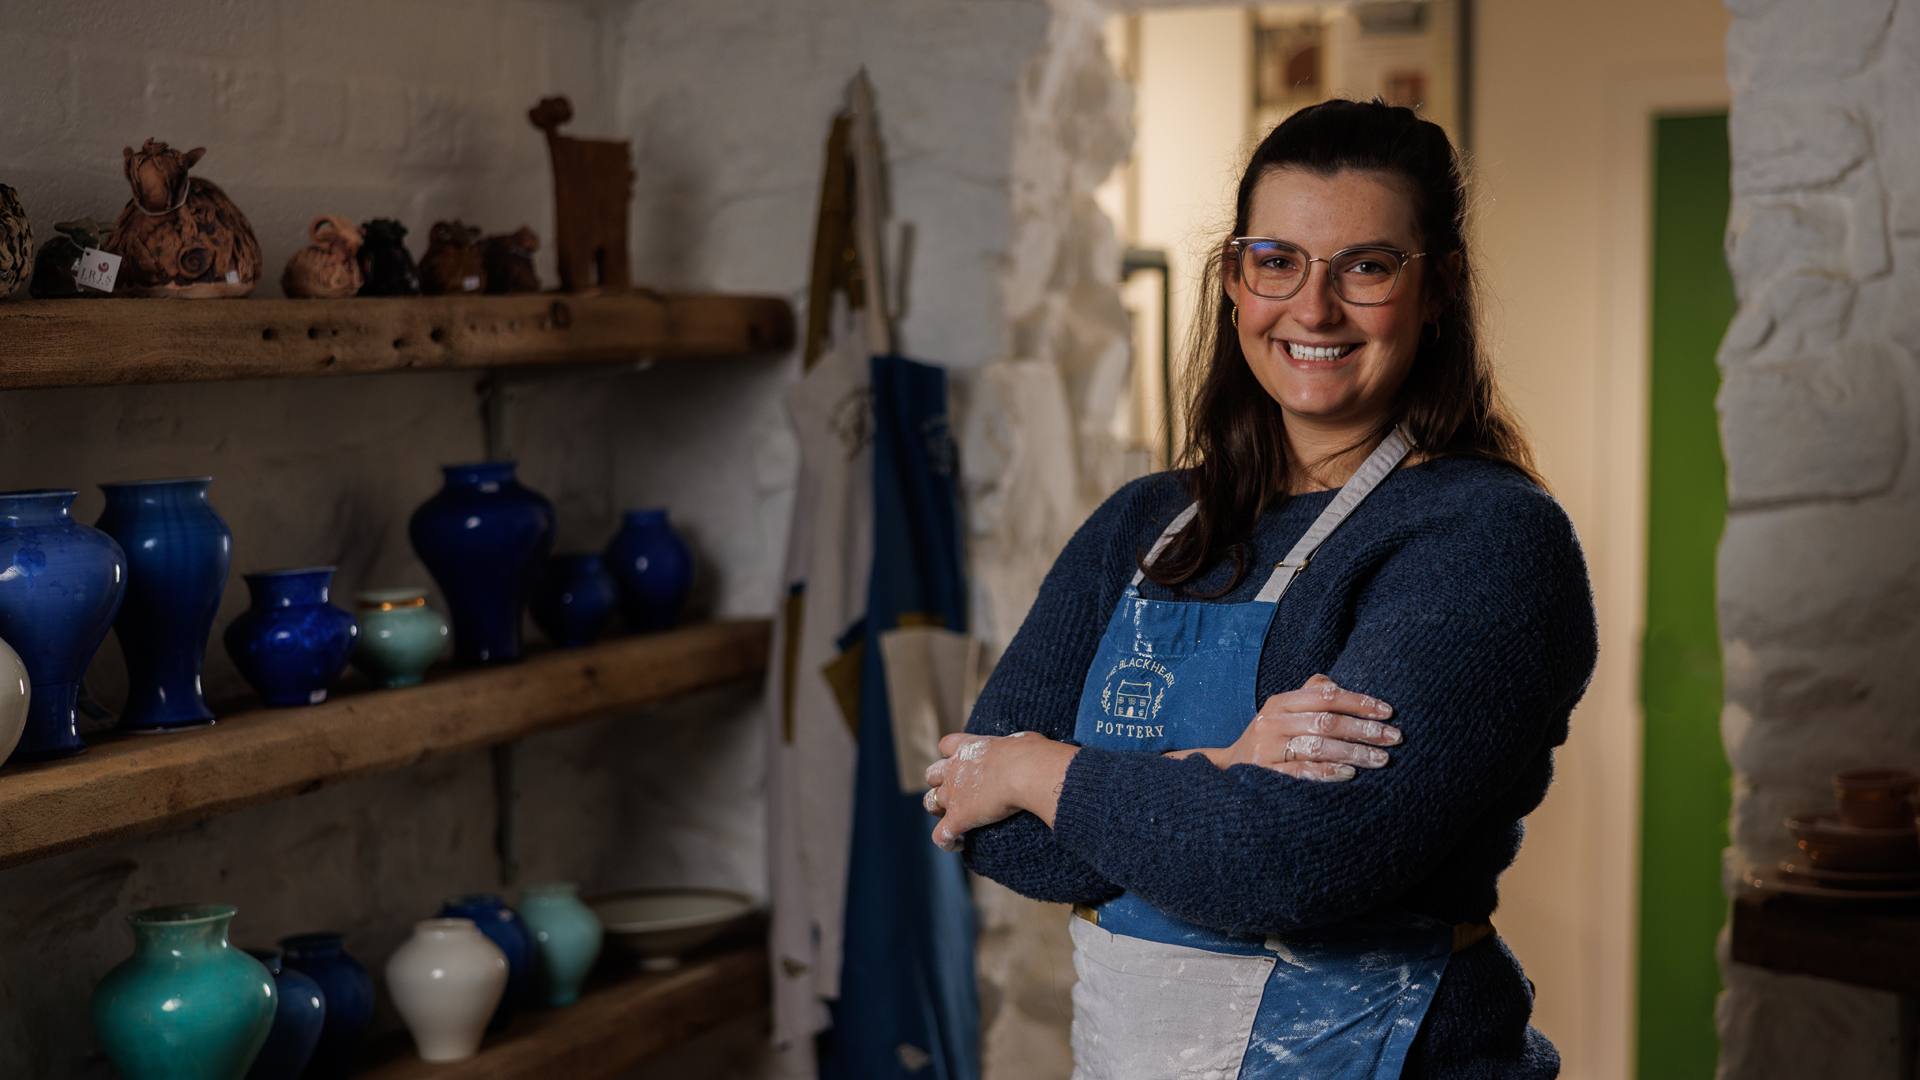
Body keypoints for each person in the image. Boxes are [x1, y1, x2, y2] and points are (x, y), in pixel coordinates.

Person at [921, 98, 1598, 1080]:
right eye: (1277, 261)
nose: (1312, 309)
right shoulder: (1142, 526)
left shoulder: (1486, 541)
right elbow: (990, 834)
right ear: (1237, 279)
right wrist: (1226, 766)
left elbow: (1292, 863)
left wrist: (1034, 769)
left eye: (1364, 267)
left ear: (1439, 287)